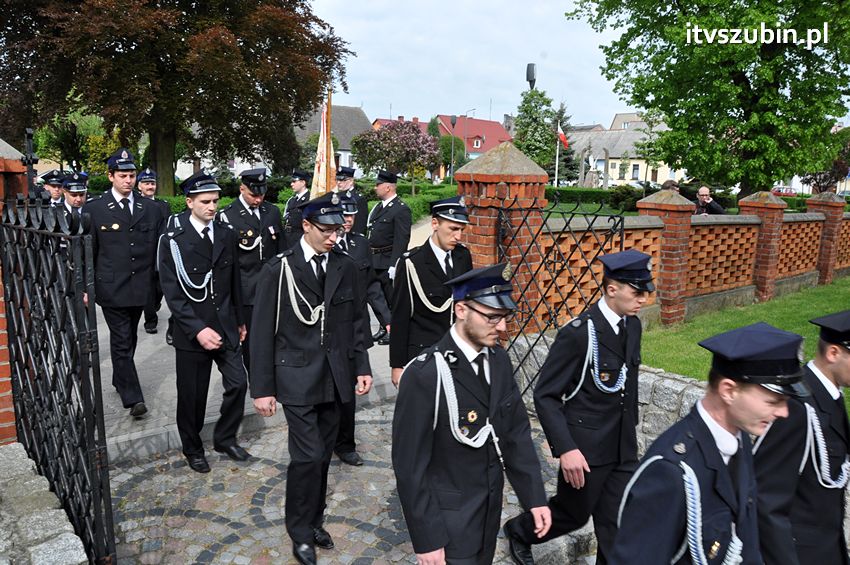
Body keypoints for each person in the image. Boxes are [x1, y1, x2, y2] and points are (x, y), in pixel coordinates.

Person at [610, 322, 809, 564]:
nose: (784, 413)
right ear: (728, 391)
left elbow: (746, 537)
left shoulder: (740, 440)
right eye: (773, 401)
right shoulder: (671, 472)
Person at [392, 263, 551, 564]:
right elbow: (410, 467)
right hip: (448, 523)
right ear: (461, 309)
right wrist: (427, 540)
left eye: (504, 317)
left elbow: (515, 434)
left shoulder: (499, 360)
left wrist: (535, 499)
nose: (502, 328)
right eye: (492, 317)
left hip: (487, 512)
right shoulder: (426, 374)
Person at [503, 249, 654, 565]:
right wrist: (567, 448)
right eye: (637, 292)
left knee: (618, 522)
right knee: (574, 514)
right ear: (612, 288)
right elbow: (546, 395)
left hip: (622, 446)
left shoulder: (633, 326)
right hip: (586, 449)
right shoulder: (579, 333)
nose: (644, 298)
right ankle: (519, 530)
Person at [250, 192, 373, 565]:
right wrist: (263, 389)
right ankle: (300, 532)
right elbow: (260, 333)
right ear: (306, 226)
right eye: (327, 230)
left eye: (338, 229)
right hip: (296, 376)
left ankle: (314, 518)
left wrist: (363, 365)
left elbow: (355, 322)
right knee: (306, 457)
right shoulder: (279, 268)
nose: (335, 236)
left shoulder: (345, 265)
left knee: (322, 457)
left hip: (335, 375)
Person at [157, 170, 250, 473]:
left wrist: (240, 319)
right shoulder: (173, 240)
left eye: (215, 201)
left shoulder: (225, 233)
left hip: (225, 324)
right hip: (192, 331)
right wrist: (198, 330)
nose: (212, 207)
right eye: (206, 202)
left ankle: (224, 437)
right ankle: (193, 448)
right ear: (189, 202)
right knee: (192, 397)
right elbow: (173, 294)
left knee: (238, 383)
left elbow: (234, 280)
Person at [754, 310, 850, 565]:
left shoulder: (829, 397)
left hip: (827, 549)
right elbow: (765, 497)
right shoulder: (798, 407)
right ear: (833, 353)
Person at [82, 148, 164, 418]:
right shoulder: (94, 209)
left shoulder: (149, 208)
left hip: (141, 286)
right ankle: (133, 398)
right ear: (111, 176)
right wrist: (85, 286)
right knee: (120, 340)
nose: (128, 180)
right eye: (123, 175)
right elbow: (89, 251)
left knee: (129, 339)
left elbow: (158, 249)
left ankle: (120, 379)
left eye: (131, 175)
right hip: (110, 287)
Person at [332, 191, 390, 466]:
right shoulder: (324, 243)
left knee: (349, 389)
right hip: (329, 327)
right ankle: (324, 438)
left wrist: (387, 318)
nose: (346, 220)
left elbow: (372, 286)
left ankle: (345, 444)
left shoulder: (360, 244)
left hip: (355, 327)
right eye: (342, 215)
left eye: (351, 215)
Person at [390, 196, 473, 387]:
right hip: (423, 354)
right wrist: (397, 365)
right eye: (453, 229)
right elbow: (400, 316)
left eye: (462, 229)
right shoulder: (411, 262)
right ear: (435, 223)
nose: (458, 236)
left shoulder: (462, 255)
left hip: (457, 352)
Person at [216, 168, 284, 371]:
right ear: (242, 188)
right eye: (254, 195)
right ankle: (256, 380)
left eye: (262, 194)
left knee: (275, 335)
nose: (259, 200)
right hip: (247, 292)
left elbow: (282, 249)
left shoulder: (271, 211)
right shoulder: (228, 216)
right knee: (251, 342)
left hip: (273, 286)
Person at [367, 170, 411, 342]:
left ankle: (395, 331)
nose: (375, 187)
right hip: (374, 259)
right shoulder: (379, 207)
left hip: (387, 260)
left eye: (378, 185)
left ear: (388, 187)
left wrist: (395, 264)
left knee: (390, 298)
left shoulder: (401, 209)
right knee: (376, 297)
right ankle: (384, 326)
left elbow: (402, 239)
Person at [135, 167, 171, 334]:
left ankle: (154, 304)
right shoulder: (134, 204)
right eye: (146, 183)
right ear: (139, 186)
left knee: (160, 287)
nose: (150, 186)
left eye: (152, 183)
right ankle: (151, 321)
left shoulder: (163, 206)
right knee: (148, 288)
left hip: (160, 251)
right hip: (143, 253)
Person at [334, 166, 368, 235]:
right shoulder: (336, 196)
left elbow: (360, 225)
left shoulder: (358, 199)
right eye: (337, 180)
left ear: (351, 181)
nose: (338, 183)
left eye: (342, 180)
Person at [282, 169, 312, 249]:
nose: (291, 184)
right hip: (288, 239)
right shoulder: (291, 200)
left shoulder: (310, 199)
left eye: (294, 181)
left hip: (301, 239)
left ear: (303, 182)